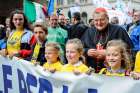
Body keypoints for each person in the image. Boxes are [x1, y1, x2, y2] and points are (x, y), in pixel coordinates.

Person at [81, 7, 133, 73]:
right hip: (92, 73)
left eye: (102, 20)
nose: (99, 23)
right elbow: (79, 49)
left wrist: (109, 53)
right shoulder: (89, 31)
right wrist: (87, 51)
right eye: (96, 20)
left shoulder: (119, 30)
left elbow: (129, 50)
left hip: (113, 73)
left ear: (107, 19)